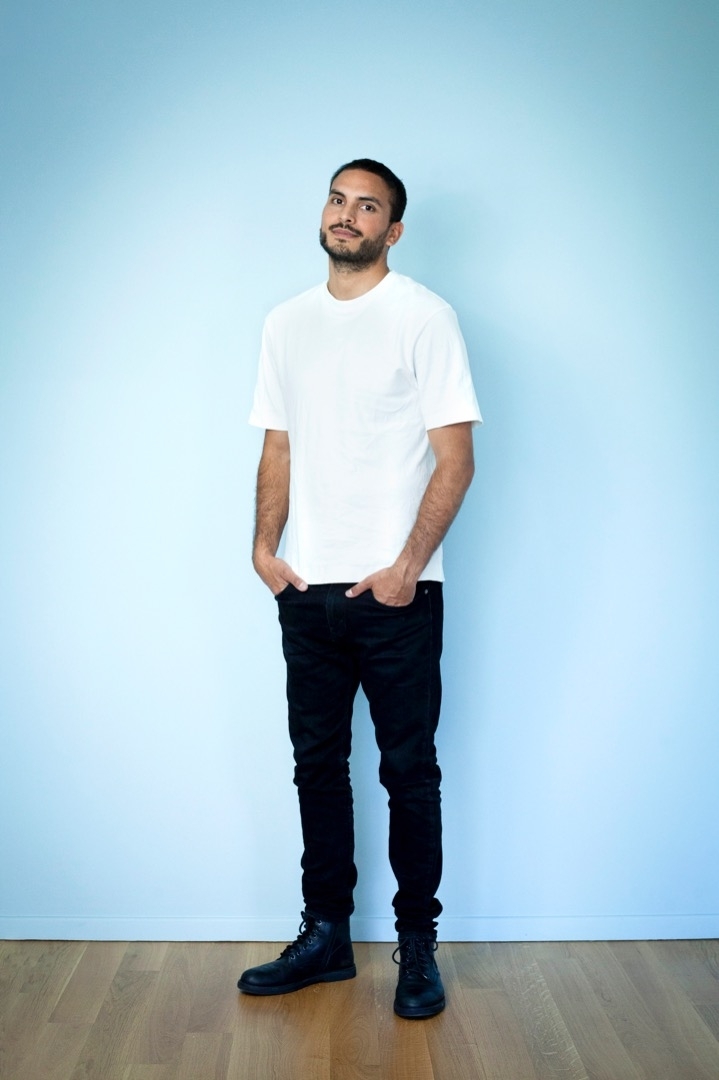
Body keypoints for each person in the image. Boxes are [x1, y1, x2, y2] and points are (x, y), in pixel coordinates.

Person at [238, 159, 481, 1019]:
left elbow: (455, 458)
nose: (347, 215)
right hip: (306, 590)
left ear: (392, 230)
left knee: (408, 772)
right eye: (338, 200)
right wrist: (263, 550)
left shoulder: (423, 316)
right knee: (316, 768)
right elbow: (278, 445)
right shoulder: (286, 323)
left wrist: (407, 565)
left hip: (395, 595)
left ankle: (416, 948)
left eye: (367, 206)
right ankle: (326, 937)